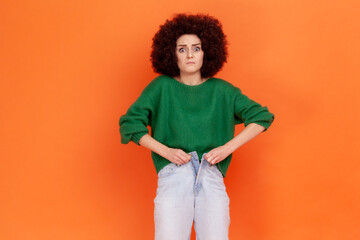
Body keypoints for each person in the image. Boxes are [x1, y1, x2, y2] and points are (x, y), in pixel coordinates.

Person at [119, 13, 275, 240]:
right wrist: (166, 151)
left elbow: (262, 117)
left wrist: (226, 148)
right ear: (172, 54)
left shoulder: (223, 90)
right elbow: (130, 123)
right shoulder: (161, 87)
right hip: (173, 175)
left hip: (211, 175)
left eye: (197, 48)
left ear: (207, 52)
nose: (190, 55)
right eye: (182, 49)